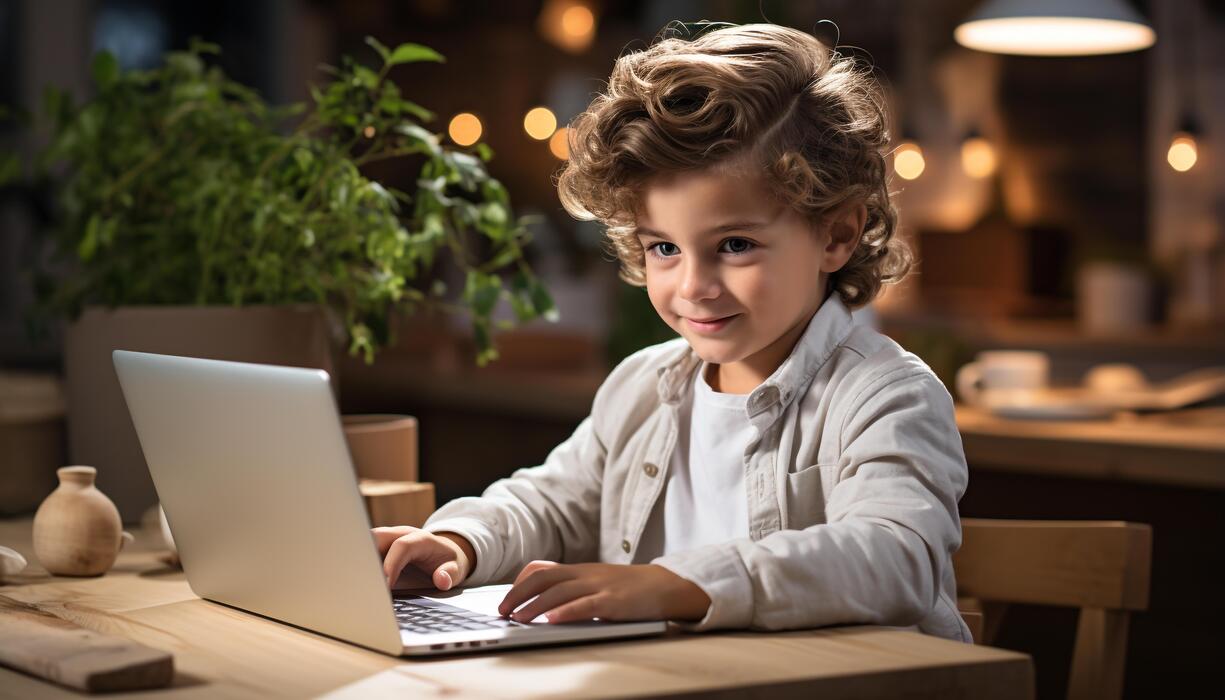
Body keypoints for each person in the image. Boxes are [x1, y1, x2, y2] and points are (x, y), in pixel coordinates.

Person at [372, 21, 971, 642]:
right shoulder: (643, 385)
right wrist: (457, 543)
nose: (693, 287)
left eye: (735, 245)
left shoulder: (887, 395)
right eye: (663, 247)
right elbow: (551, 503)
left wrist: (682, 585)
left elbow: (895, 557)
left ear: (837, 235)